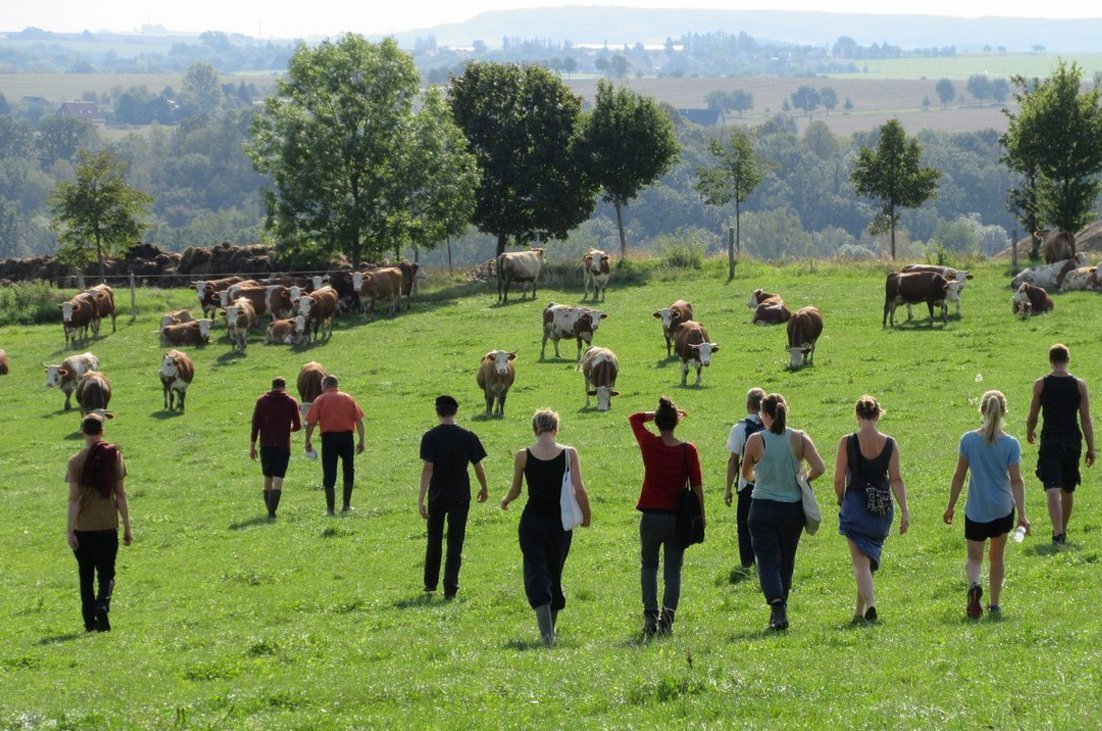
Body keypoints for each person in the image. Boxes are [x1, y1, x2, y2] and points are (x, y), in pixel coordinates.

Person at [500, 409, 591, 646]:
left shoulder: (523, 455)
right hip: (560, 524)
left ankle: (547, 636)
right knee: (554, 574)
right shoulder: (570, 454)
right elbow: (579, 489)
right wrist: (587, 515)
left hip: (532, 523)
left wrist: (505, 500)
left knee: (536, 575)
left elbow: (517, 489)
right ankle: (550, 633)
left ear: (535, 429)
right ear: (556, 428)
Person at [741, 392, 825, 631]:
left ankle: (777, 609)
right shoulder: (799, 438)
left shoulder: (756, 440)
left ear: (765, 415)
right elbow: (819, 467)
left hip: (762, 508)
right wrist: (802, 478)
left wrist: (761, 477)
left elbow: (746, 474)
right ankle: (780, 612)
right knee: (786, 562)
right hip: (792, 510)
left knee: (766, 559)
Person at [944, 390, 1029, 619]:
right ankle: (994, 605)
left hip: (976, 510)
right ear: (1004, 412)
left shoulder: (969, 440)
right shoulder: (1011, 444)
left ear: (982, 410)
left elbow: (959, 476)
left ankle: (973, 585)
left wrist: (950, 506)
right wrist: (1022, 514)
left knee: (974, 558)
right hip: (1002, 509)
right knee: (996, 558)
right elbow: (1016, 480)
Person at [630, 397, 704, 638]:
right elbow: (697, 487)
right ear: (677, 422)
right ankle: (667, 621)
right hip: (676, 519)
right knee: (673, 571)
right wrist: (701, 516)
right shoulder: (687, 450)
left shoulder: (649, 444)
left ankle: (650, 617)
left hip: (650, 516)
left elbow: (634, 418)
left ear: (659, 423)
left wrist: (656, 415)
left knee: (648, 566)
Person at [833, 395, 910, 623]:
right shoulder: (890, 443)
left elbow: (838, 479)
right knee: (867, 564)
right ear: (878, 415)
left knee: (860, 562)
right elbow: (896, 479)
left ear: (858, 416)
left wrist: (840, 498)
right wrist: (905, 510)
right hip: (881, 508)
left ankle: (872, 605)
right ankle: (859, 612)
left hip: (856, 505)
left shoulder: (847, 442)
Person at [66, 412, 132, 632]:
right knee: (107, 574)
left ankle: (89, 622)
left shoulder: (75, 461)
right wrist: (127, 528)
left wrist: (70, 531)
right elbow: (120, 495)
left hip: (83, 528)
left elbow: (74, 499)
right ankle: (102, 604)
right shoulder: (114, 457)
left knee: (85, 576)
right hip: (107, 525)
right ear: (102, 431)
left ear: (83, 432)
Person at [418, 395, 489, 599]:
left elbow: (428, 469)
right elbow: (478, 467)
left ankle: (430, 584)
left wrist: (421, 499)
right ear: (455, 412)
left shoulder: (430, 437)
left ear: (437, 412)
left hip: (436, 495)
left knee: (434, 540)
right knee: (455, 541)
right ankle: (450, 587)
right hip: (460, 495)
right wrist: (484, 488)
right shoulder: (467, 436)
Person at [1025, 344, 1095, 545]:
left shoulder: (1041, 385)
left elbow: (1032, 416)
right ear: (1068, 359)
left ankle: (1057, 533)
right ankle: (1063, 529)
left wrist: (1030, 432)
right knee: (1068, 488)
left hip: (1050, 440)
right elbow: (1086, 420)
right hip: (1072, 440)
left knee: (1052, 488)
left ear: (1051, 360)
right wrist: (1091, 447)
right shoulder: (1080, 385)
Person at [304, 375, 365, 515]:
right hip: (347, 438)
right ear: (336, 384)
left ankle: (330, 509)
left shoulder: (320, 399)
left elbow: (311, 423)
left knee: (329, 471)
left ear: (324, 385)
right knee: (349, 469)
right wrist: (361, 440)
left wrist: (307, 441)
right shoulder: (348, 398)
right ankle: (346, 505)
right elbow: (359, 421)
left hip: (329, 439)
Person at [725, 387, 766, 575]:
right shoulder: (772, 427)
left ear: (748, 405)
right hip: (769, 483)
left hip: (746, 484)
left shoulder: (739, 428)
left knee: (744, 524)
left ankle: (747, 563)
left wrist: (728, 489)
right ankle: (764, 560)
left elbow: (733, 460)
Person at [250, 377, 301, 520]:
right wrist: (286, 429)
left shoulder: (261, 401)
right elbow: (297, 426)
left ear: (272, 387)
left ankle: (270, 511)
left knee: (267, 478)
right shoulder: (291, 402)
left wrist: (252, 446)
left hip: (266, 445)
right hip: (283, 445)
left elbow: (255, 425)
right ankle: (272, 512)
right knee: (278, 479)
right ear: (284, 387)